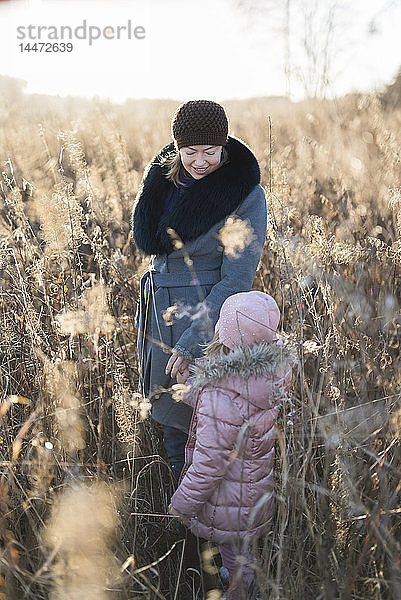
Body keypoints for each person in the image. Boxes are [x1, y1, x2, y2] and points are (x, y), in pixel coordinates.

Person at [131, 99, 268, 486]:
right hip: (158, 311)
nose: (201, 161)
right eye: (190, 152)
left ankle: (205, 529)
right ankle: (183, 523)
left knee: (201, 429)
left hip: (203, 319)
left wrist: (194, 341)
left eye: (210, 152)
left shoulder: (245, 195)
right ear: (177, 148)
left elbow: (237, 280)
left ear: (224, 147)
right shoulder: (162, 181)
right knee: (169, 424)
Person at [168, 291, 293, 599]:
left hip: (228, 500)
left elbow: (208, 464)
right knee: (243, 553)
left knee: (237, 562)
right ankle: (243, 580)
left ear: (225, 336)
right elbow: (229, 410)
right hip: (252, 493)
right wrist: (191, 393)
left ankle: (241, 593)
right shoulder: (267, 376)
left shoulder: (222, 394)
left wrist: (181, 505)